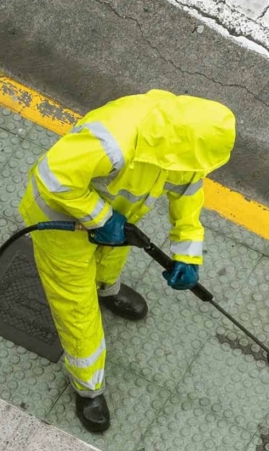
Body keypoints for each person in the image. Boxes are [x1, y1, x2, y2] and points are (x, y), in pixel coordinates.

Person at [18, 90, 236, 433]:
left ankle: (107, 290)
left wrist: (187, 254)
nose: (195, 173)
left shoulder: (184, 146)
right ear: (179, 144)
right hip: (60, 222)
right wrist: (101, 217)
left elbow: (188, 196)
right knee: (76, 308)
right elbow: (52, 178)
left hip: (117, 221)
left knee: (111, 260)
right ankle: (88, 388)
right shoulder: (114, 140)